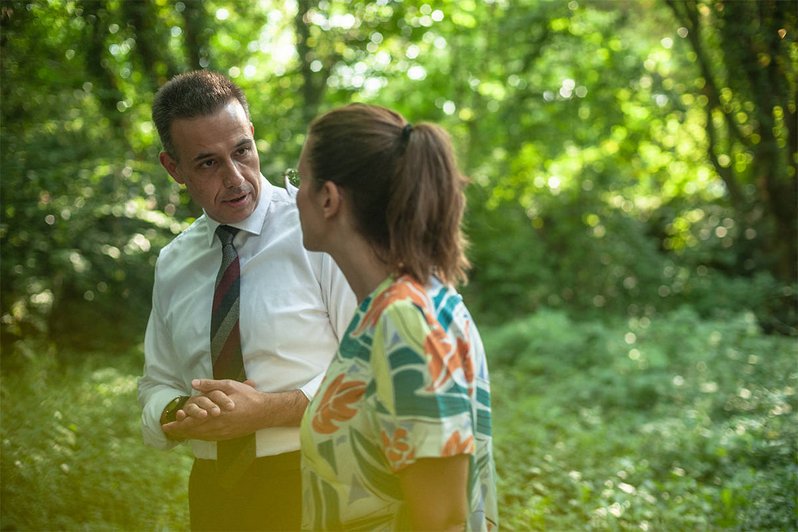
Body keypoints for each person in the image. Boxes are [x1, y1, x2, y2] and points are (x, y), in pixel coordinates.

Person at [137, 70, 356, 531]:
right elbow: (155, 384)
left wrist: (269, 411)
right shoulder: (173, 263)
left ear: (253, 137)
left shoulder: (319, 232)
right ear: (173, 168)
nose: (236, 178)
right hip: (216, 492)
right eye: (207, 163)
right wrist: (178, 412)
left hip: (321, 477)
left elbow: (371, 371)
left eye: (241, 151)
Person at [293, 103, 498, 531]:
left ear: (329, 198)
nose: (293, 194)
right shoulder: (396, 306)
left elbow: (442, 519)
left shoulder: (405, 321)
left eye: (300, 179)